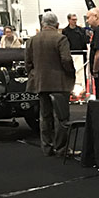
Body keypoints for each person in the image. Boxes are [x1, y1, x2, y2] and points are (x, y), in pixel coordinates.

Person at [25, 12, 75, 157]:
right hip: (59, 83)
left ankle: (47, 147)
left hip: (41, 82)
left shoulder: (32, 40)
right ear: (57, 25)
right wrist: (71, 73)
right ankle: (61, 148)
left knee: (44, 116)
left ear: (42, 24)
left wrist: (35, 75)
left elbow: (28, 62)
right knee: (61, 117)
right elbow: (66, 59)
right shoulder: (61, 38)